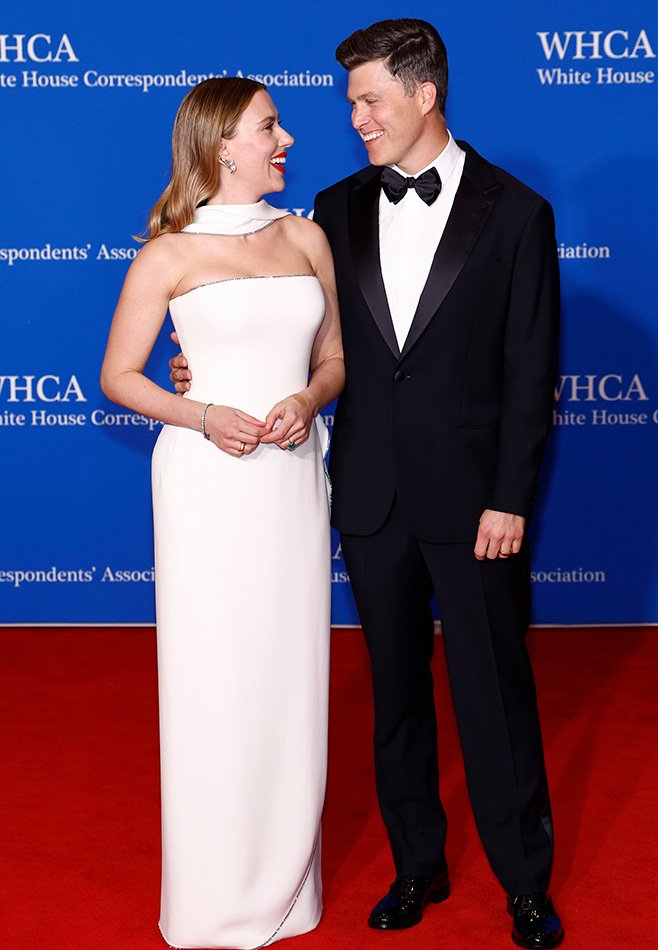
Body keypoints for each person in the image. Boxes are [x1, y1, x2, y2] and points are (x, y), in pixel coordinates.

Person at [171, 19, 563, 948]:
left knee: (494, 693)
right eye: (350, 102)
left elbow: (531, 369)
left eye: (369, 100)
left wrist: (510, 497)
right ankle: (416, 865)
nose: (355, 120)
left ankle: (524, 883)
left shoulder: (517, 212)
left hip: (477, 507)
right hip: (370, 496)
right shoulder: (332, 210)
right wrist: (206, 380)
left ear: (425, 94)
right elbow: (307, 342)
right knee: (394, 696)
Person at [101, 77, 344, 949]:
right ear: (220, 146)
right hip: (206, 482)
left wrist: (310, 399)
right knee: (213, 674)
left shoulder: (306, 236)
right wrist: (202, 415)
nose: (286, 138)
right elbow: (121, 376)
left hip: (288, 479)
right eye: (268, 126)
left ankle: (289, 884)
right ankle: (212, 893)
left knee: (288, 667)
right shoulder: (167, 256)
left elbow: (336, 356)